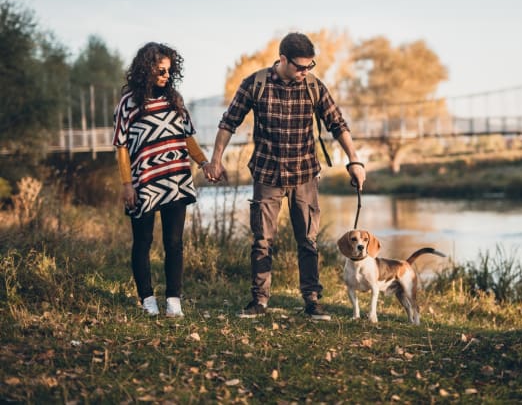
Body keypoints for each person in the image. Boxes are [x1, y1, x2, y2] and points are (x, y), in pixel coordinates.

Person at [205, 32, 366, 320]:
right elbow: (229, 122)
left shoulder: (314, 87)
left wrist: (355, 160)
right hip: (267, 173)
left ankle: (312, 301)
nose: (305, 72)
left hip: (305, 174)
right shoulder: (255, 84)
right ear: (282, 59)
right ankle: (259, 301)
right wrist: (216, 159)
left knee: (308, 240)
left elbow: (337, 124)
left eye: (309, 66)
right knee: (262, 241)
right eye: (300, 67)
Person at [113, 42, 211, 318]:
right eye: (160, 71)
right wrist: (127, 183)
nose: (166, 76)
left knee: (174, 242)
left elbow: (187, 136)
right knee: (142, 242)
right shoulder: (129, 103)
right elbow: (121, 145)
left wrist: (203, 162)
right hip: (142, 181)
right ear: (146, 69)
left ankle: (173, 301)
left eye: (169, 71)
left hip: (176, 178)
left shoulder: (174, 99)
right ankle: (147, 300)